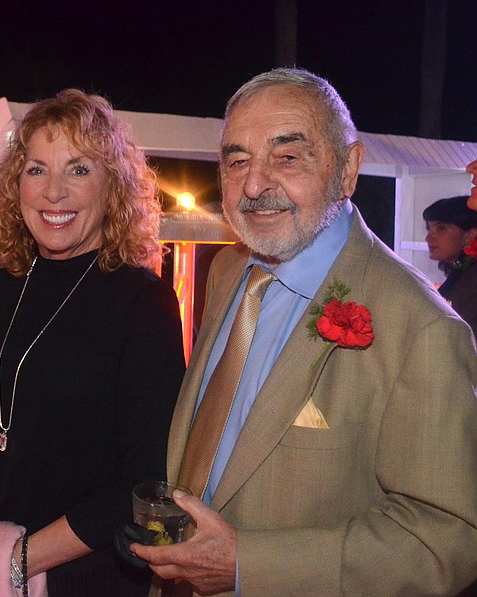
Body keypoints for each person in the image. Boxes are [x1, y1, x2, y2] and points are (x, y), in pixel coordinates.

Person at [130, 68, 477, 596]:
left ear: (348, 168)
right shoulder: (228, 274)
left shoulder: (421, 327)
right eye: (237, 159)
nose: (253, 184)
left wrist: (250, 564)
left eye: (287, 158)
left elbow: (446, 539)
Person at [0, 89, 186, 596]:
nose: (53, 192)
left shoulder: (143, 302)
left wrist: (15, 559)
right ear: (16, 185)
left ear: (113, 187)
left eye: (79, 170)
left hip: (84, 572)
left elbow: (143, 476)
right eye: (37, 169)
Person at [423, 195, 477, 332]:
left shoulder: (472, 280)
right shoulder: (462, 272)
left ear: (469, 234)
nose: (429, 237)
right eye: (428, 228)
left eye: (441, 228)